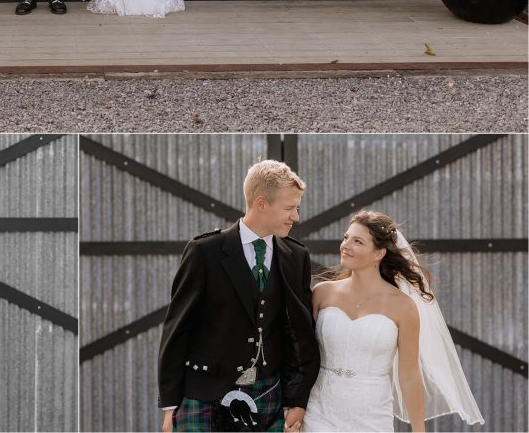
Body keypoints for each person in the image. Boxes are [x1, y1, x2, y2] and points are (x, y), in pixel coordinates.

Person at [158, 160, 320, 433]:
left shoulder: (296, 257)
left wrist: (297, 399)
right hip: (205, 391)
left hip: (268, 391)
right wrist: (170, 405)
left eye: (297, 208)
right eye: (289, 208)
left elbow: (300, 335)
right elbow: (177, 329)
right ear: (261, 203)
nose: (296, 217)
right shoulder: (205, 251)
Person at [303, 211, 483, 432]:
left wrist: (419, 429)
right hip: (319, 412)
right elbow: (303, 354)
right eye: (345, 237)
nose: (345, 245)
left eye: (357, 241)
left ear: (379, 253)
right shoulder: (322, 293)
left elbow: (409, 374)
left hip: (372, 415)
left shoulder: (403, 307)